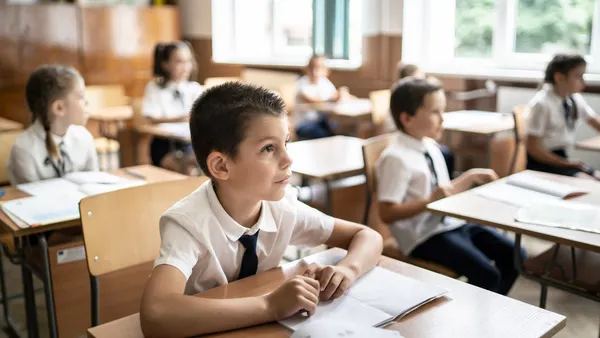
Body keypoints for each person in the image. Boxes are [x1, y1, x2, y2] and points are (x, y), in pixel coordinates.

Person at [140, 82, 383, 337]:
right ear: (221, 166)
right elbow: (156, 314)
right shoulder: (188, 225)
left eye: (286, 143)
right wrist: (269, 305)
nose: (288, 160)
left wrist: (347, 269)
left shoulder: (281, 207)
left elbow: (368, 236)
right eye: (269, 148)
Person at [377, 76, 524, 295]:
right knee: (488, 275)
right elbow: (386, 213)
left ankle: (488, 309)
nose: (442, 119)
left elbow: (441, 190)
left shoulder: (429, 145)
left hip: (449, 223)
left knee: (517, 256)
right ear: (407, 118)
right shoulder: (395, 158)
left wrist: (469, 177)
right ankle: (471, 317)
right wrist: (428, 202)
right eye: (435, 112)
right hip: (423, 236)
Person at [7, 64, 98, 185]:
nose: (87, 102)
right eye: (81, 97)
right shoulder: (24, 149)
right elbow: (28, 198)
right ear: (59, 108)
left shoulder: (84, 137)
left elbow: (95, 183)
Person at [526, 54, 600, 179]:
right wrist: (566, 163)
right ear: (560, 77)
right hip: (543, 163)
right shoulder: (542, 104)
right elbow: (533, 148)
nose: (583, 82)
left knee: (596, 176)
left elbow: (594, 121)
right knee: (588, 181)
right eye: (578, 76)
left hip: (561, 158)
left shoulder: (574, 99)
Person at [143, 40, 204, 175]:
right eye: (179, 62)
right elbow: (150, 118)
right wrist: (181, 119)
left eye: (188, 61)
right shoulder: (155, 88)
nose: (185, 67)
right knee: (189, 170)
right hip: (165, 146)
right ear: (165, 64)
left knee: (209, 166)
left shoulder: (194, 88)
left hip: (190, 143)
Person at [294, 55, 351, 139]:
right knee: (324, 135)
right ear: (306, 69)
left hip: (322, 122)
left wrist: (342, 93)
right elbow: (314, 101)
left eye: (320, 68)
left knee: (340, 130)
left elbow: (335, 96)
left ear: (327, 71)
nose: (315, 72)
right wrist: (333, 98)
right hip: (304, 124)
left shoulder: (324, 82)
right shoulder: (302, 84)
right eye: (312, 68)